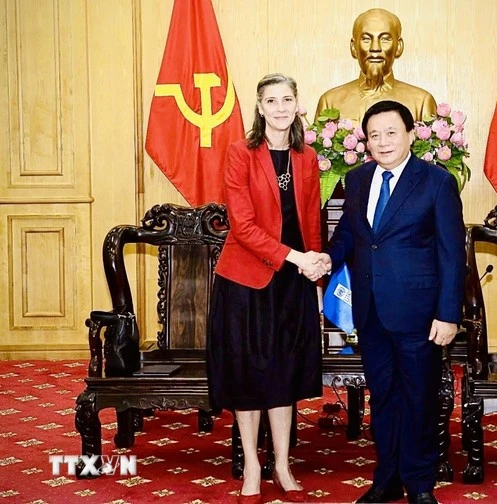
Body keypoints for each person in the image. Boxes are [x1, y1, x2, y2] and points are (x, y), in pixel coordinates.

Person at [318, 100, 466, 504]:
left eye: (391, 133)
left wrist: (448, 314)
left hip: (419, 313)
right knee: (382, 397)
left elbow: (453, 253)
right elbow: (349, 235)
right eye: (374, 135)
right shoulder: (359, 178)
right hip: (369, 312)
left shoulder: (435, 182)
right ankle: (386, 480)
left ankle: (420, 485)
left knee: (418, 398)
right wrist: (328, 258)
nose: (382, 142)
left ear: (410, 135)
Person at [207, 73, 328, 504]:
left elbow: (311, 218)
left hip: (293, 283)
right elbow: (242, 226)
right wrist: (295, 258)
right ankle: (252, 467)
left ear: (298, 105)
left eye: (287, 99)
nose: (280, 107)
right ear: (260, 108)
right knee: (248, 374)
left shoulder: (307, 156)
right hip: (246, 280)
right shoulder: (241, 153)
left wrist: (316, 270)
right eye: (271, 100)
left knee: (285, 372)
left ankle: (282, 464)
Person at [315, 8, 437, 124]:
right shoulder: (330, 102)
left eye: (385, 39)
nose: (375, 48)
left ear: (398, 46)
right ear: (354, 47)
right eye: (366, 39)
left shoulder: (421, 102)